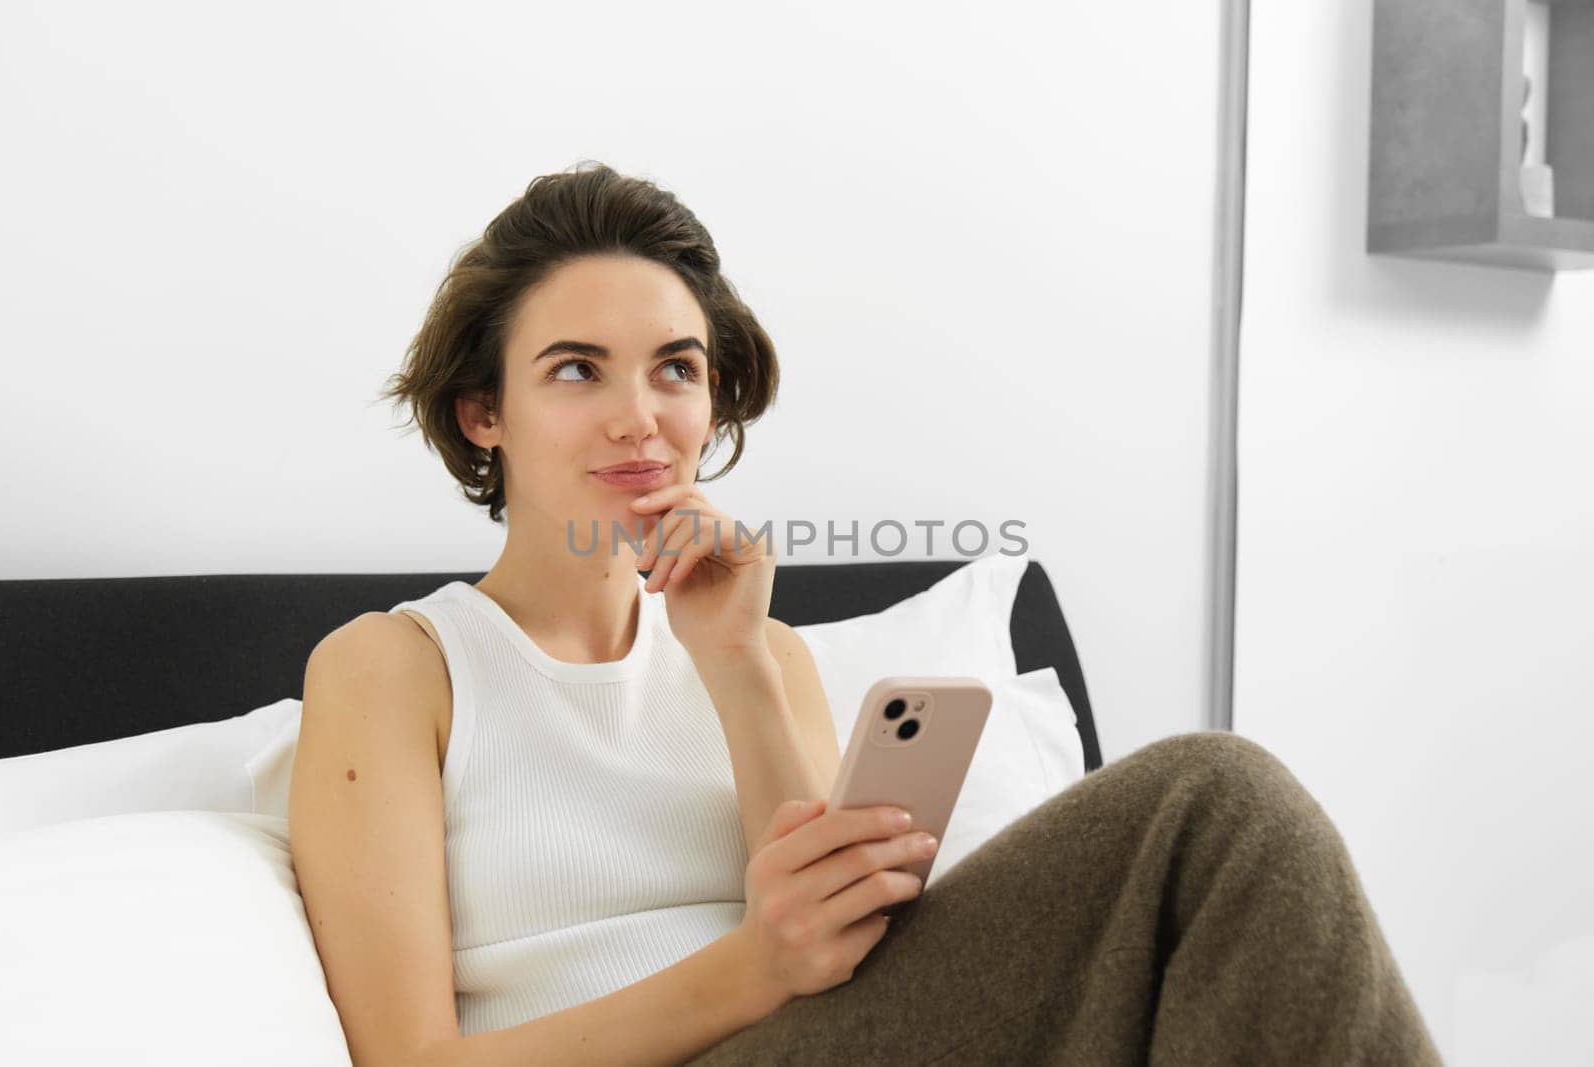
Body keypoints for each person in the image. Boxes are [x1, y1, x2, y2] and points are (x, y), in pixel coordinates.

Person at [288, 161, 1442, 1066]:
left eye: (676, 368)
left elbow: (849, 970)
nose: (640, 416)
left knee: (1218, 856)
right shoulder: (398, 667)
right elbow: (410, 1058)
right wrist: (750, 969)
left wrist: (734, 654)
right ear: (482, 410)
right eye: (578, 370)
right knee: (1210, 800)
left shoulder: (763, 650)